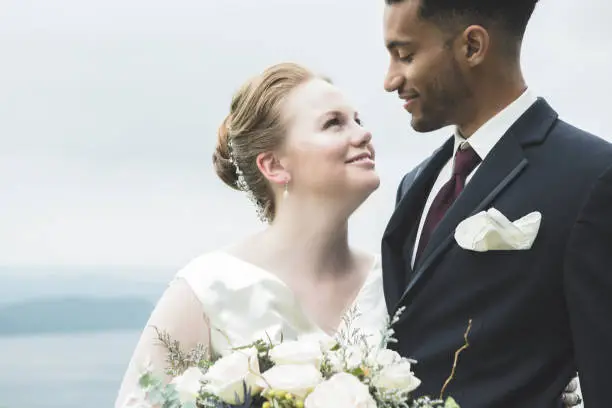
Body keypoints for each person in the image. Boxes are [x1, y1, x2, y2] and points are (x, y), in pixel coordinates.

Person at [114, 62, 581, 407]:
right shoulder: (206, 291)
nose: (363, 134)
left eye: (357, 119)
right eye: (334, 124)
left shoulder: (400, 279)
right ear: (274, 165)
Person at [381, 0, 611, 407]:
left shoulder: (593, 176)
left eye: (405, 55)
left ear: (473, 46)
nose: (390, 79)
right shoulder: (413, 185)